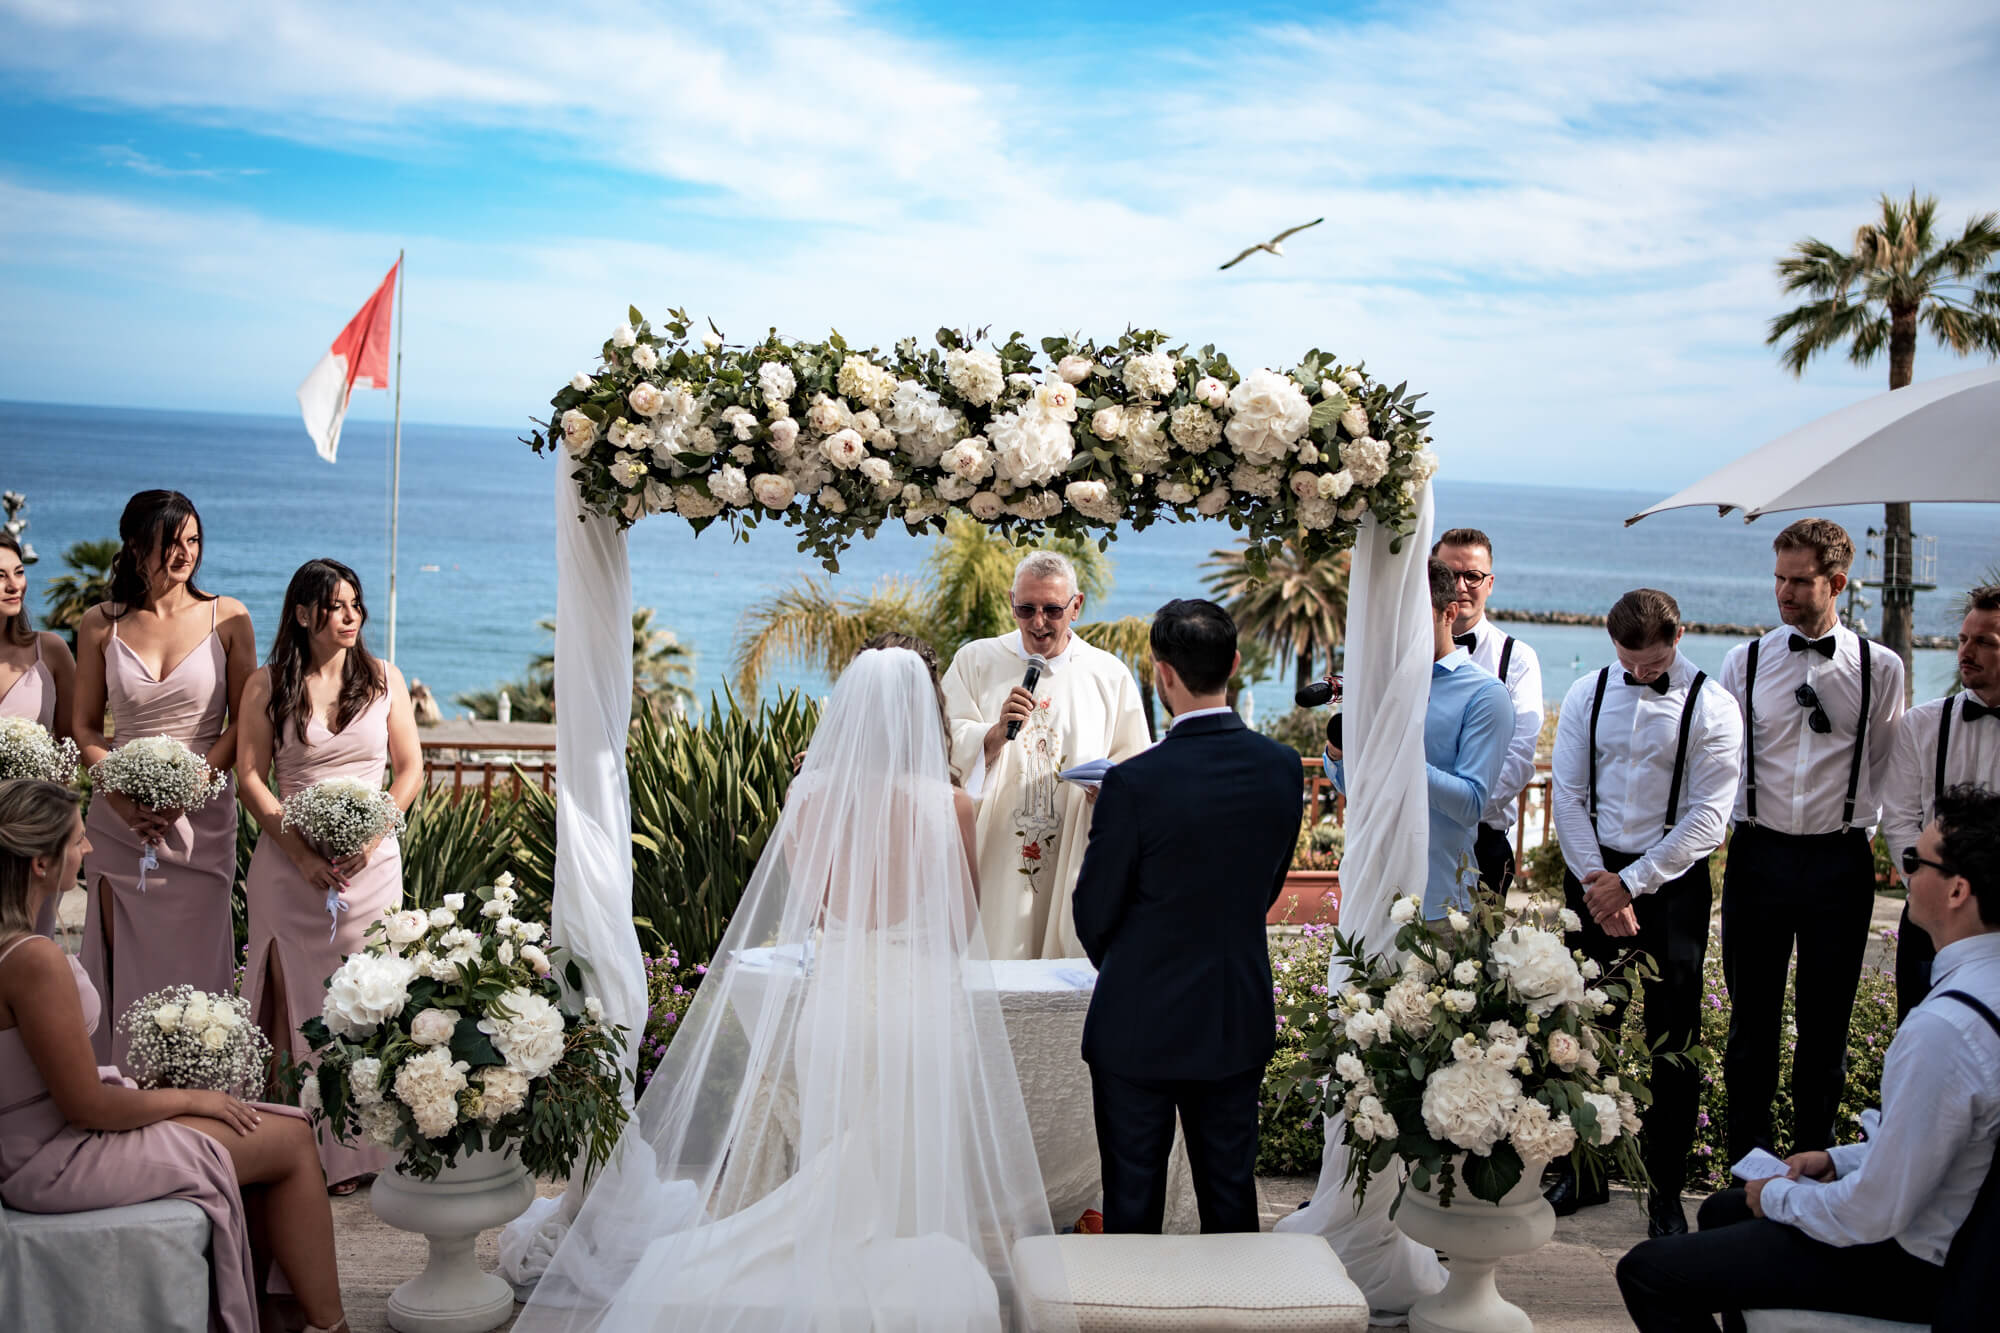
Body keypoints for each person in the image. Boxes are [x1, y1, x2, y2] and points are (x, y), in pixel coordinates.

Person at [516, 641, 1060, 1332]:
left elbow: (814, 908)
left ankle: (822, 1288)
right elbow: (959, 930)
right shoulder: (949, 804)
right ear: (928, 713)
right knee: (908, 1173)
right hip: (914, 1008)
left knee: (835, 1157)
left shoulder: (810, 800)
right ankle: (899, 1290)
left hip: (834, 1007)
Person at [1615, 784, 2000, 1332]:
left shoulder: (1945, 1029)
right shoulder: (1985, 989)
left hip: (1922, 1266)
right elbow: (1945, 1146)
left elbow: (1875, 1211)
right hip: (1954, 1234)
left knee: (1649, 1271)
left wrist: (1778, 1196)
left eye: (1915, 859)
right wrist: (1835, 1161)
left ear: (1958, 890)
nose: (1904, 867)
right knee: (1724, 1209)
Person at [0, 778, 349, 1333]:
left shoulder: (22, 940)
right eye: (77, 841)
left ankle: (277, 1315)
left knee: (276, 1125)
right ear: (40, 864)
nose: (89, 849)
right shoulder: (32, 959)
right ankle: (330, 1327)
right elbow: (87, 1107)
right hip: (51, 1159)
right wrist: (195, 1098)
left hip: (45, 1142)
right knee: (290, 1139)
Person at [1072, 598, 1301, 1234]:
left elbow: (1093, 909)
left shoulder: (1133, 782)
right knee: (1232, 1201)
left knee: (1133, 1204)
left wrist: (1131, 962)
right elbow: (1268, 885)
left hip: (1137, 1018)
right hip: (1235, 1009)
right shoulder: (1283, 769)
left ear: (1161, 674)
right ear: (1234, 662)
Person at [1546, 589, 1742, 1234]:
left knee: (1672, 1042)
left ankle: (1662, 1191)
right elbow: (1569, 797)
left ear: (1679, 636)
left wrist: (1632, 885)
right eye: (1629, 662)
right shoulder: (1586, 694)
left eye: (1652, 665)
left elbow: (1708, 818)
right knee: (1586, 1035)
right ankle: (1585, 1171)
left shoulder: (1714, 705)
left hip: (1673, 885)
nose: (1639, 675)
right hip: (1595, 876)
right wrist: (1598, 886)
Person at [1718, 518, 1905, 1162]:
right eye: (1779, 579)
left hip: (1838, 862)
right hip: (1758, 855)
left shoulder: (1882, 669)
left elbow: (1885, 765)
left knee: (1826, 1026)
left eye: (1800, 581)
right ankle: (1747, 1164)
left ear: (1838, 584)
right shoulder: (1742, 662)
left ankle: (1813, 1163)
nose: (1785, 593)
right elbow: (1727, 763)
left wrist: (1863, 840)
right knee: (1750, 1025)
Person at [237, 559, 422, 1193]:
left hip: (372, 871)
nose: (350, 617)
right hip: (290, 872)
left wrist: (371, 840)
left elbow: (409, 771)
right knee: (298, 1003)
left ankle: (370, 1150)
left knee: (368, 999)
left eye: (355, 605)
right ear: (303, 614)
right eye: (336, 606)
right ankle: (303, 1148)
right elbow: (251, 778)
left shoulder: (384, 679)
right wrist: (302, 855)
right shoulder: (267, 684)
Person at [73, 491, 255, 1067]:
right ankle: (114, 1098)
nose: (184, 554)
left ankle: (202, 1101)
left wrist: (193, 788)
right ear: (135, 544)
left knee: (197, 967)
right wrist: (126, 804)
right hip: (119, 825)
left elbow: (245, 722)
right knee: (119, 963)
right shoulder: (99, 624)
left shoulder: (229, 616)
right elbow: (83, 727)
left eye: (193, 540)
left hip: (201, 822)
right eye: (170, 541)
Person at [940, 550, 1150, 959]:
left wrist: (1110, 791)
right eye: (1026, 608)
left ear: (1076, 606)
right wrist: (993, 736)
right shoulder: (975, 661)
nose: (1038, 622)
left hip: (1076, 849)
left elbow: (1135, 766)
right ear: (1010, 602)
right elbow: (943, 745)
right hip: (993, 854)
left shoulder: (1108, 675)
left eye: (1053, 609)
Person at [1325, 557, 1513, 920]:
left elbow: (1470, 804)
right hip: (1369, 898)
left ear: (1449, 613)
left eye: (1413, 616)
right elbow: (1354, 785)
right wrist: (1338, 751)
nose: (1400, 630)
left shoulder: (1485, 695)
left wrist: (1399, 754)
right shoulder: (1379, 684)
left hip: (1438, 905)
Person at [1884, 586, 2000, 1018]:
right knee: (1919, 1028)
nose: (1966, 651)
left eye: (1985, 642)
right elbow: (1899, 819)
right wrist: (1927, 887)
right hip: (1931, 916)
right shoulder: (1923, 724)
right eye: (1964, 639)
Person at [1433, 527, 1544, 894]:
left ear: (1490, 582)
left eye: (1473, 576)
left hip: (1483, 843)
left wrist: (1460, 806)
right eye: (1450, 574)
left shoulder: (1518, 660)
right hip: (1410, 835)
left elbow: (1517, 760)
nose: (1461, 586)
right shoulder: (1404, 654)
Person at [0, 530, 78, 936]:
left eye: (18, 572)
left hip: (32, 839)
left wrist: (48, 827)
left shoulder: (51, 652)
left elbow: (70, 747)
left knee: (31, 950)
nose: (15, 585)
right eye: (0, 575)